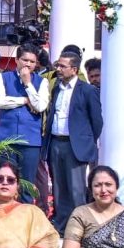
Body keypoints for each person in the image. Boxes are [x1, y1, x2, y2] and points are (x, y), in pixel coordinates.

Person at [0, 46, 48, 204]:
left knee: (27, 185)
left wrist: (27, 84)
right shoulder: (2, 77)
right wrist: (25, 100)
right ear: (16, 60)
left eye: (32, 62)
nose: (28, 64)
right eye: (25, 60)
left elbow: (40, 106)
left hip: (30, 140)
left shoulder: (42, 81)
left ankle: (24, 219)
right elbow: (0, 101)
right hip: (6, 138)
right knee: (4, 181)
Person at [45, 51, 101, 219]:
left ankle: (78, 226)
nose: (59, 69)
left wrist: (85, 141)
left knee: (76, 189)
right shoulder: (56, 88)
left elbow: (97, 121)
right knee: (58, 187)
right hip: (55, 142)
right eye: (58, 65)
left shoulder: (88, 90)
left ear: (74, 69)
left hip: (75, 145)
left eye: (63, 66)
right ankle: (61, 224)